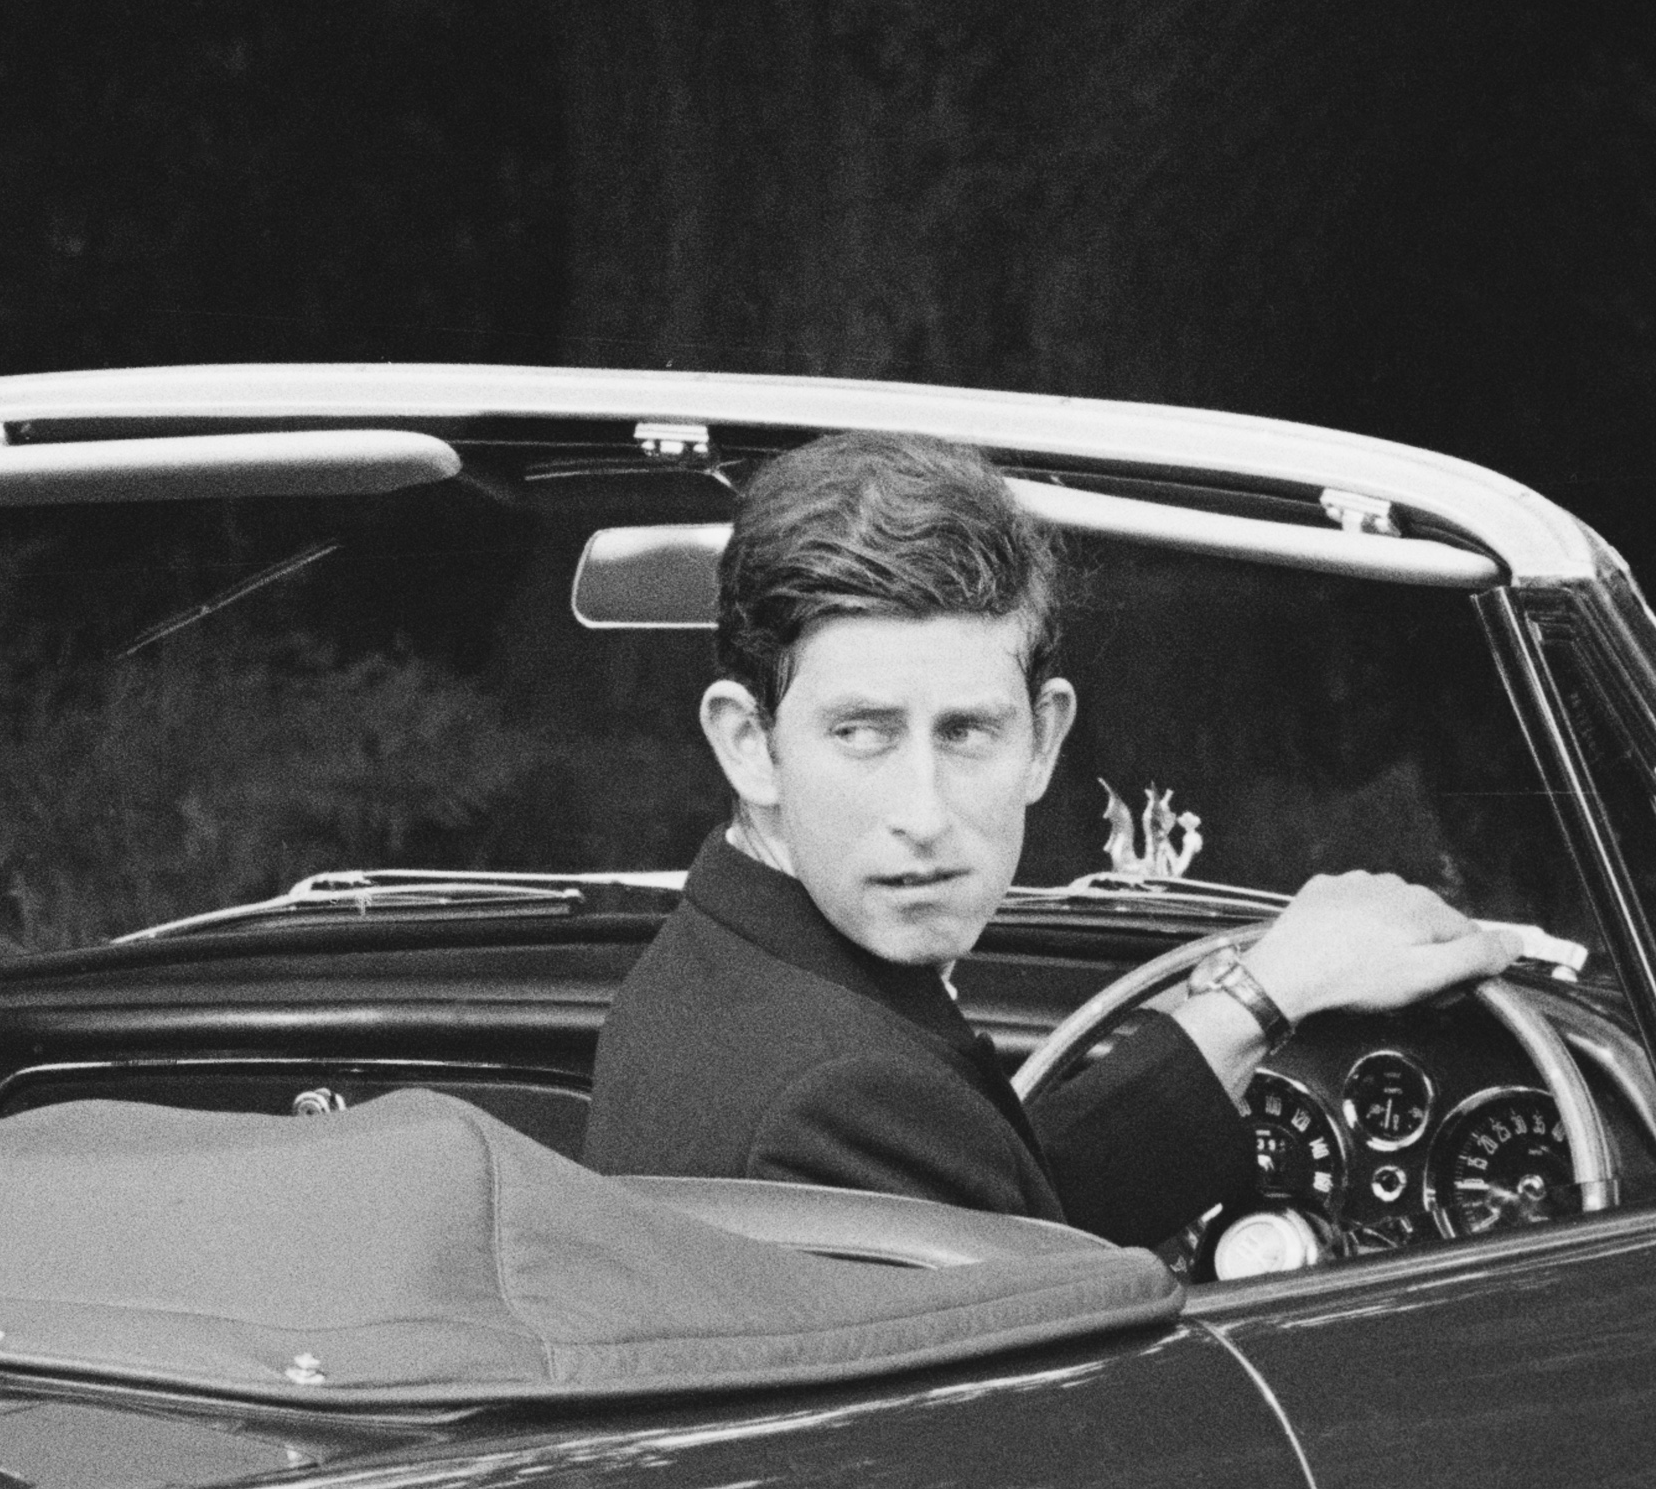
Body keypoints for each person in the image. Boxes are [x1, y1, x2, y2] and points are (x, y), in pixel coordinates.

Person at [577, 430, 1510, 1241]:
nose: (925, 812)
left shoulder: (712, 976)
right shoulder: (837, 1096)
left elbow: (1013, 1231)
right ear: (750, 747)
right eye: (861, 733)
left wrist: (1259, 997)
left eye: (967, 731)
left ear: (1044, 739)